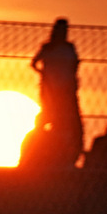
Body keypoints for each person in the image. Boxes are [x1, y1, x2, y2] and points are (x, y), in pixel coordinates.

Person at [30, 18, 84, 167]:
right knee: (49, 116)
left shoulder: (69, 47)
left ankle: (66, 153)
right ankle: (40, 150)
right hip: (50, 90)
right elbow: (34, 63)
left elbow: (75, 64)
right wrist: (44, 75)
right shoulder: (48, 47)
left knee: (67, 120)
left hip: (66, 90)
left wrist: (71, 80)